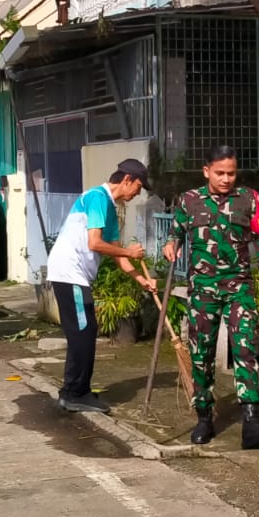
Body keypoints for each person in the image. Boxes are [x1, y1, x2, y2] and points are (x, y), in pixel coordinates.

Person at [163, 145, 259, 450]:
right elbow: (176, 231)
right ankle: (204, 416)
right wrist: (172, 244)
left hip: (239, 288)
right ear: (207, 171)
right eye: (220, 173)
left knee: (244, 348)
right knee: (201, 353)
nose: (227, 178)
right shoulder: (189, 200)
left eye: (231, 172)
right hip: (203, 290)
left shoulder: (248, 198)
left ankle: (252, 420)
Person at [46, 159, 157, 412]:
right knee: (83, 332)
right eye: (138, 187)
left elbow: (116, 253)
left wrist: (142, 280)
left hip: (75, 275)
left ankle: (74, 391)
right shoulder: (97, 197)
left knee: (84, 330)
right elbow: (94, 243)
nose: (138, 193)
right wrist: (129, 253)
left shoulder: (109, 207)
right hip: (69, 272)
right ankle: (75, 393)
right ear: (127, 179)